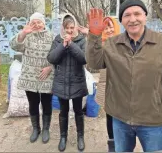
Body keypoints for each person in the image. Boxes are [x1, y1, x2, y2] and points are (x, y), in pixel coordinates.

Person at [85, 0, 162, 152]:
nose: (132, 19)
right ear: (122, 21)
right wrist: (94, 36)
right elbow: (94, 64)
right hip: (120, 119)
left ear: (145, 16)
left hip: (152, 120)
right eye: (127, 15)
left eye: (137, 13)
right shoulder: (112, 44)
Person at [10, 12, 54, 144]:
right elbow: (14, 46)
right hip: (29, 77)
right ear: (29, 24)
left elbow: (58, 55)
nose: (36, 25)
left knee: (46, 104)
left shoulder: (51, 36)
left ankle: (46, 129)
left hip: (46, 76)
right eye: (33, 22)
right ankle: (36, 129)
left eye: (39, 22)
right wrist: (23, 33)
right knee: (33, 104)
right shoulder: (26, 36)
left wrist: (50, 67)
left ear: (44, 23)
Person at [78, 17, 120, 152]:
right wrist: (92, 36)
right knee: (110, 115)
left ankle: (123, 143)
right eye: (106, 28)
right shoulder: (101, 44)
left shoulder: (123, 42)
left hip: (123, 85)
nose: (109, 30)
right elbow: (93, 61)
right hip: (107, 83)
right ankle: (112, 145)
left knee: (122, 117)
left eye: (111, 26)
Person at [47, 13, 88, 152]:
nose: (69, 31)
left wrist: (70, 45)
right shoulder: (58, 40)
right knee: (63, 111)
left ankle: (80, 137)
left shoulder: (82, 40)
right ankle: (63, 137)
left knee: (78, 111)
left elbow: (84, 59)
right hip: (61, 82)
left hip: (77, 81)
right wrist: (63, 45)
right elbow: (52, 58)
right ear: (63, 28)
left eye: (72, 27)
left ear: (75, 27)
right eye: (66, 28)